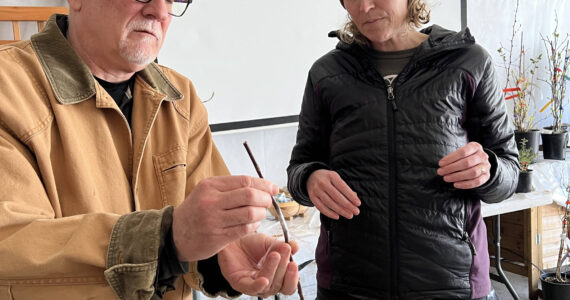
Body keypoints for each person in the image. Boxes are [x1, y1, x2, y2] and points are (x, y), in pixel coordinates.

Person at [0, 0, 299, 299]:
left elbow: (193, 229)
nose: (160, 10)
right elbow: (11, 243)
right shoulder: (8, 88)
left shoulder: (180, 99)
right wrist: (167, 238)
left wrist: (218, 255)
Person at [287, 0, 519, 299]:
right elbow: (300, 166)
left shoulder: (468, 62)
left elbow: (510, 171)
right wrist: (310, 178)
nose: (364, 6)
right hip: (350, 285)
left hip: (454, 284)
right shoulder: (326, 74)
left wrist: (489, 170)